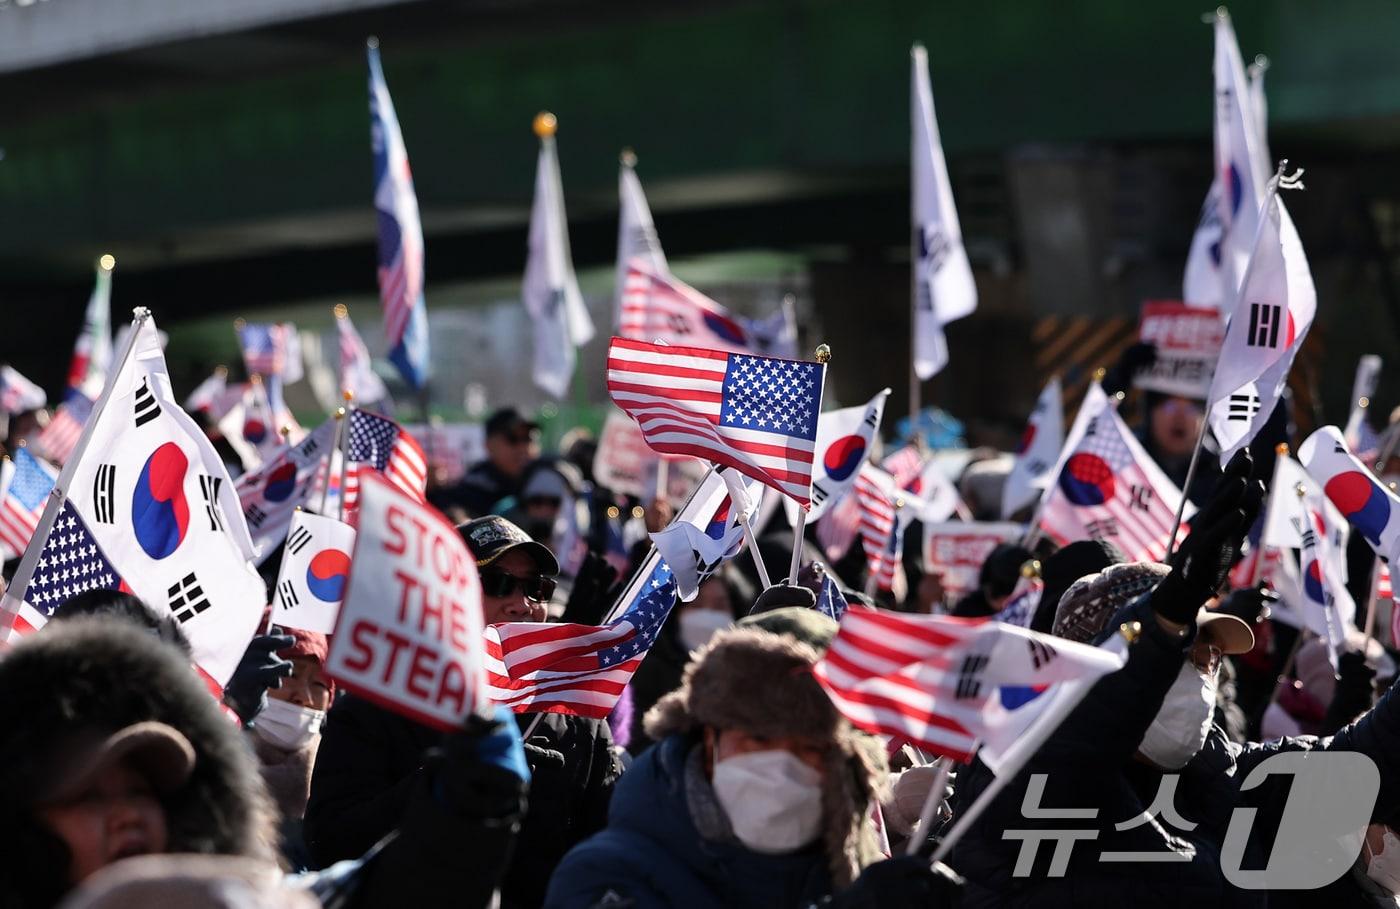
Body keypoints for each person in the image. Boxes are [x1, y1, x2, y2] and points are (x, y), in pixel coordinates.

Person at [950, 451, 1400, 906]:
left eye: (1211, 655)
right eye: (1185, 650)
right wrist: (1166, 617)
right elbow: (1079, 747)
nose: (1203, 671)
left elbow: (1367, 757)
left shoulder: (1230, 773)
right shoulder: (1013, 780)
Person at [0, 618, 527, 909]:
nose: (129, 814)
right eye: (90, 796)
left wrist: (468, 812)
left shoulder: (233, 900)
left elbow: (379, 892)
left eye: (142, 790)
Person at [306, 514, 621, 909]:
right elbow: (330, 845)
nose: (522, 604)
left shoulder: (576, 716)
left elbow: (614, 853)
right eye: (497, 582)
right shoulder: (375, 706)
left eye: (536, 588)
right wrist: (448, 780)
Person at [546, 623, 957, 908]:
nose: (782, 763)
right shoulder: (608, 874)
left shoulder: (853, 874)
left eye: (809, 746)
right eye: (759, 738)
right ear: (710, 737)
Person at [247, 624, 335, 871]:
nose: (304, 697)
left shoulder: (336, 785)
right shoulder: (208, 758)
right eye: (291, 674)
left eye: (319, 685)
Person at [436, 407, 541, 519]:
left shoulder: (545, 487)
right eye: (512, 439)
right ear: (488, 445)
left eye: (528, 439)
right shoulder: (467, 493)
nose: (523, 447)